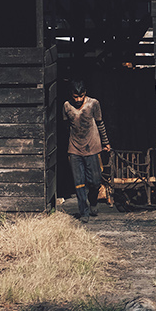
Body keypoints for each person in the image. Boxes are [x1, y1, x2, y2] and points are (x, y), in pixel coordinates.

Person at [63, 79, 110, 218]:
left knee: (95, 181)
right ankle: (83, 212)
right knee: (79, 183)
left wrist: (106, 142)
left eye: (81, 96)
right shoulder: (66, 106)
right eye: (75, 96)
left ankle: (93, 200)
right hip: (75, 148)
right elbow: (67, 126)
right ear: (71, 94)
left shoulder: (93, 104)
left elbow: (100, 123)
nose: (78, 99)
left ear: (85, 93)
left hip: (92, 147)